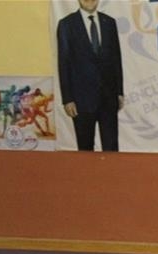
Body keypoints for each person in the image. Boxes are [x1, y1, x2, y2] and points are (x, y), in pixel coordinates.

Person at [57, 0, 124, 151]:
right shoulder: (66, 25)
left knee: (111, 148)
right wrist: (67, 99)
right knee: (85, 149)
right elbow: (64, 64)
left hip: (108, 98)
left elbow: (116, 60)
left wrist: (119, 92)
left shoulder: (109, 23)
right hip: (81, 101)